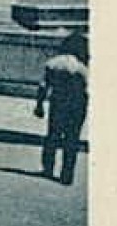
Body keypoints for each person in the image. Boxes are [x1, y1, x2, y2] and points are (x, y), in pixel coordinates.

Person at [35, 32, 89, 185]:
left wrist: (39, 105)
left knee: (52, 135)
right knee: (72, 139)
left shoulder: (53, 63)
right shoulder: (81, 67)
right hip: (77, 104)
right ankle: (67, 174)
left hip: (58, 102)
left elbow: (43, 86)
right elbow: (87, 89)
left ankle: (48, 168)